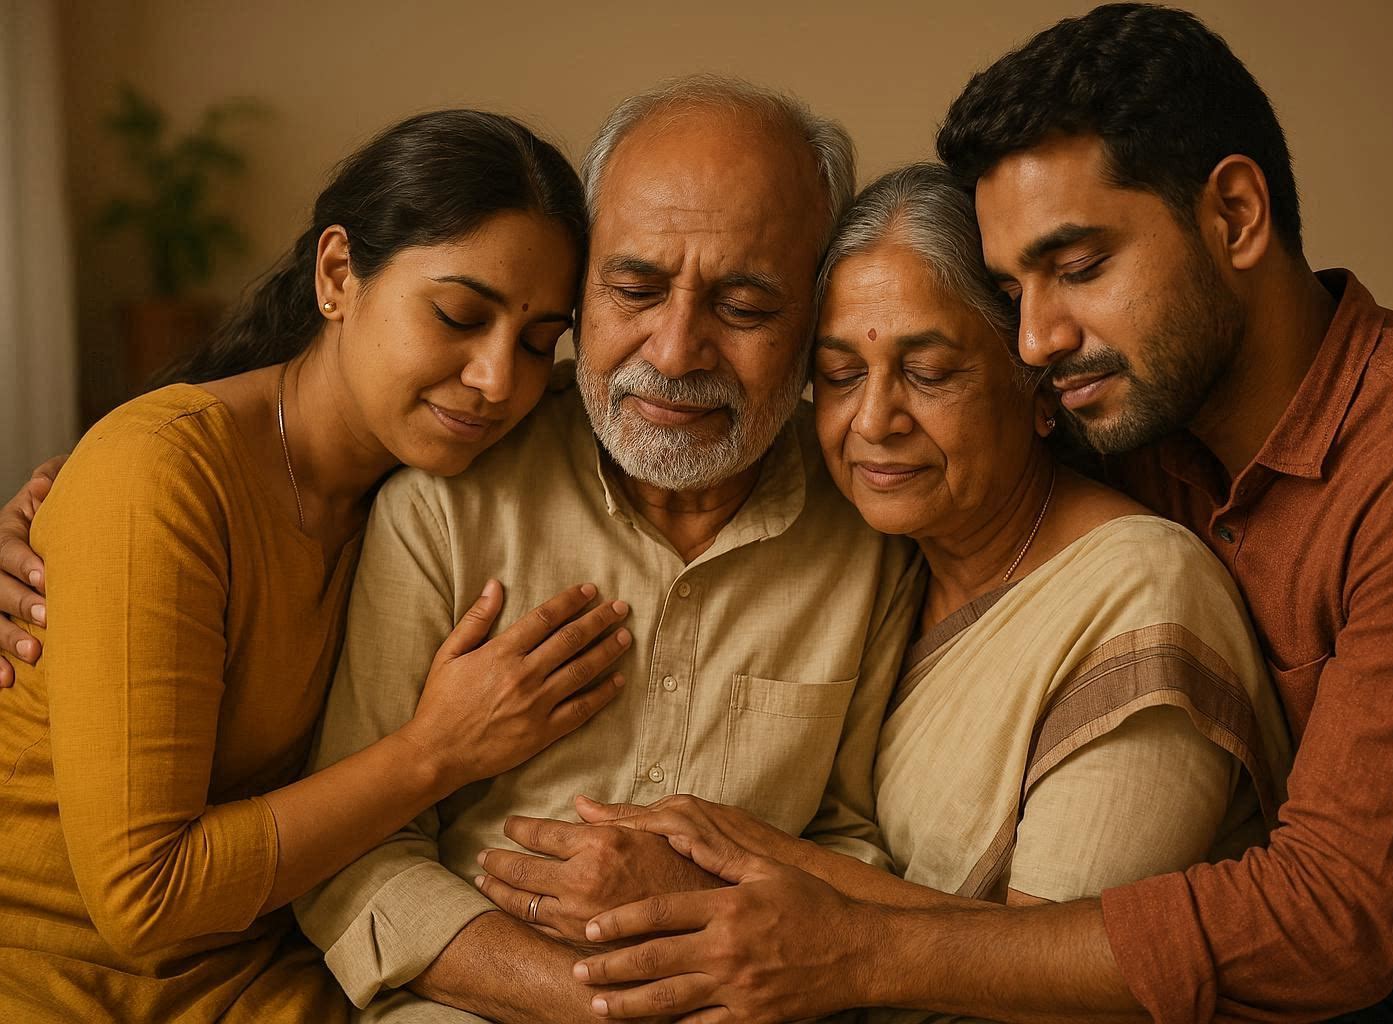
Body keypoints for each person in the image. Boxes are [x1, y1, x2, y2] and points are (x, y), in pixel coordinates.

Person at [558, 7, 1393, 1023]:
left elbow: (1332, 927)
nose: (1036, 338)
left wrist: (844, 939)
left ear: (1237, 215)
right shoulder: (1126, 419)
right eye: (1015, 287)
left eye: (1077, 268)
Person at [496, 159, 1292, 1016]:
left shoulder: (1141, 594)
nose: (874, 421)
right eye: (842, 376)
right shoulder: (886, 563)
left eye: (931, 372)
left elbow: (1068, 980)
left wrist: (731, 859)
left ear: (1038, 388)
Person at [286, 77, 921, 1023]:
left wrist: (711, 920)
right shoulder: (446, 501)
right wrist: (596, 1008)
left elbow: (848, 838)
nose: (673, 352)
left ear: (814, 319)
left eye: (745, 307)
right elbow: (358, 856)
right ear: (581, 287)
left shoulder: (870, 529)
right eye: (635, 290)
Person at [0, 110, 636, 1023]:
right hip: (61, 976)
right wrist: (435, 752)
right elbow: (146, 897)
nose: (499, 379)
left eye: (539, 342)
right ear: (338, 275)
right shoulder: (163, 475)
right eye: (459, 316)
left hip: (274, 970)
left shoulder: (442, 480)